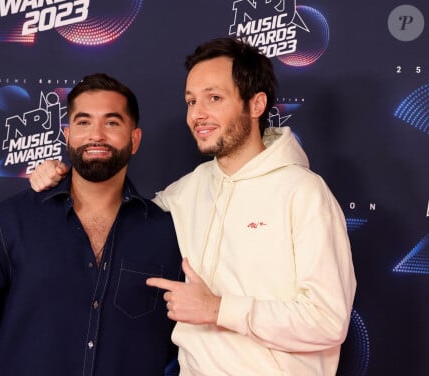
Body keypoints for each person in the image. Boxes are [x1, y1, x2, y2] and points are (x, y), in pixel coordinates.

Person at [29, 37, 357, 375]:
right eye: (191, 101)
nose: (197, 115)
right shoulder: (187, 191)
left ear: (256, 104)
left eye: (214, 98)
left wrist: (218, 309)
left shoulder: (303, 192)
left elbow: (328, 321)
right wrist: (61, 176)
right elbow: (116, 215)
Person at [0, 73, 183, 375]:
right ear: (67, 135)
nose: (97, 135)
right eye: (83, 122)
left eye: (112, 123)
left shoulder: (166, 232)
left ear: (135, 139)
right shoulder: (10, 220)